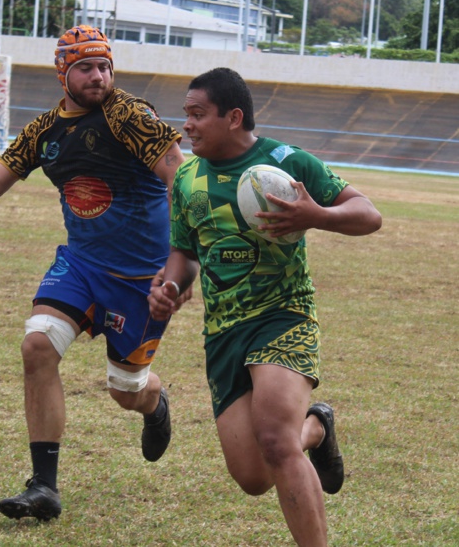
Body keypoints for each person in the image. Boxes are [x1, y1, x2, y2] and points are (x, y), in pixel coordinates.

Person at [0, 25, 186, 521]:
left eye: (104, 66)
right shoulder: (44, 131)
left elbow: (180, 177)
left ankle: (155, 402)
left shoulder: (129, 115)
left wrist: (180, 264)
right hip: (81, 265)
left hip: (141, 280)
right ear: (63, 73)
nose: (98, 76)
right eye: (85, 67)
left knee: (126, 391)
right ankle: (44, 486)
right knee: (38, 344)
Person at [148, 67, 382, 546]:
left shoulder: (286, 162)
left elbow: (368, 214)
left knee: (275, 441)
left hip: (283, 315)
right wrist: (170, 286)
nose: (186, 125)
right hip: (224, 333)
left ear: (233, 117)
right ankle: (316, 427)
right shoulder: (187, 178)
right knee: (253, 477)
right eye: (186, 114)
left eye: (197, 114)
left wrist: (318, 215)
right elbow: (185, 253)